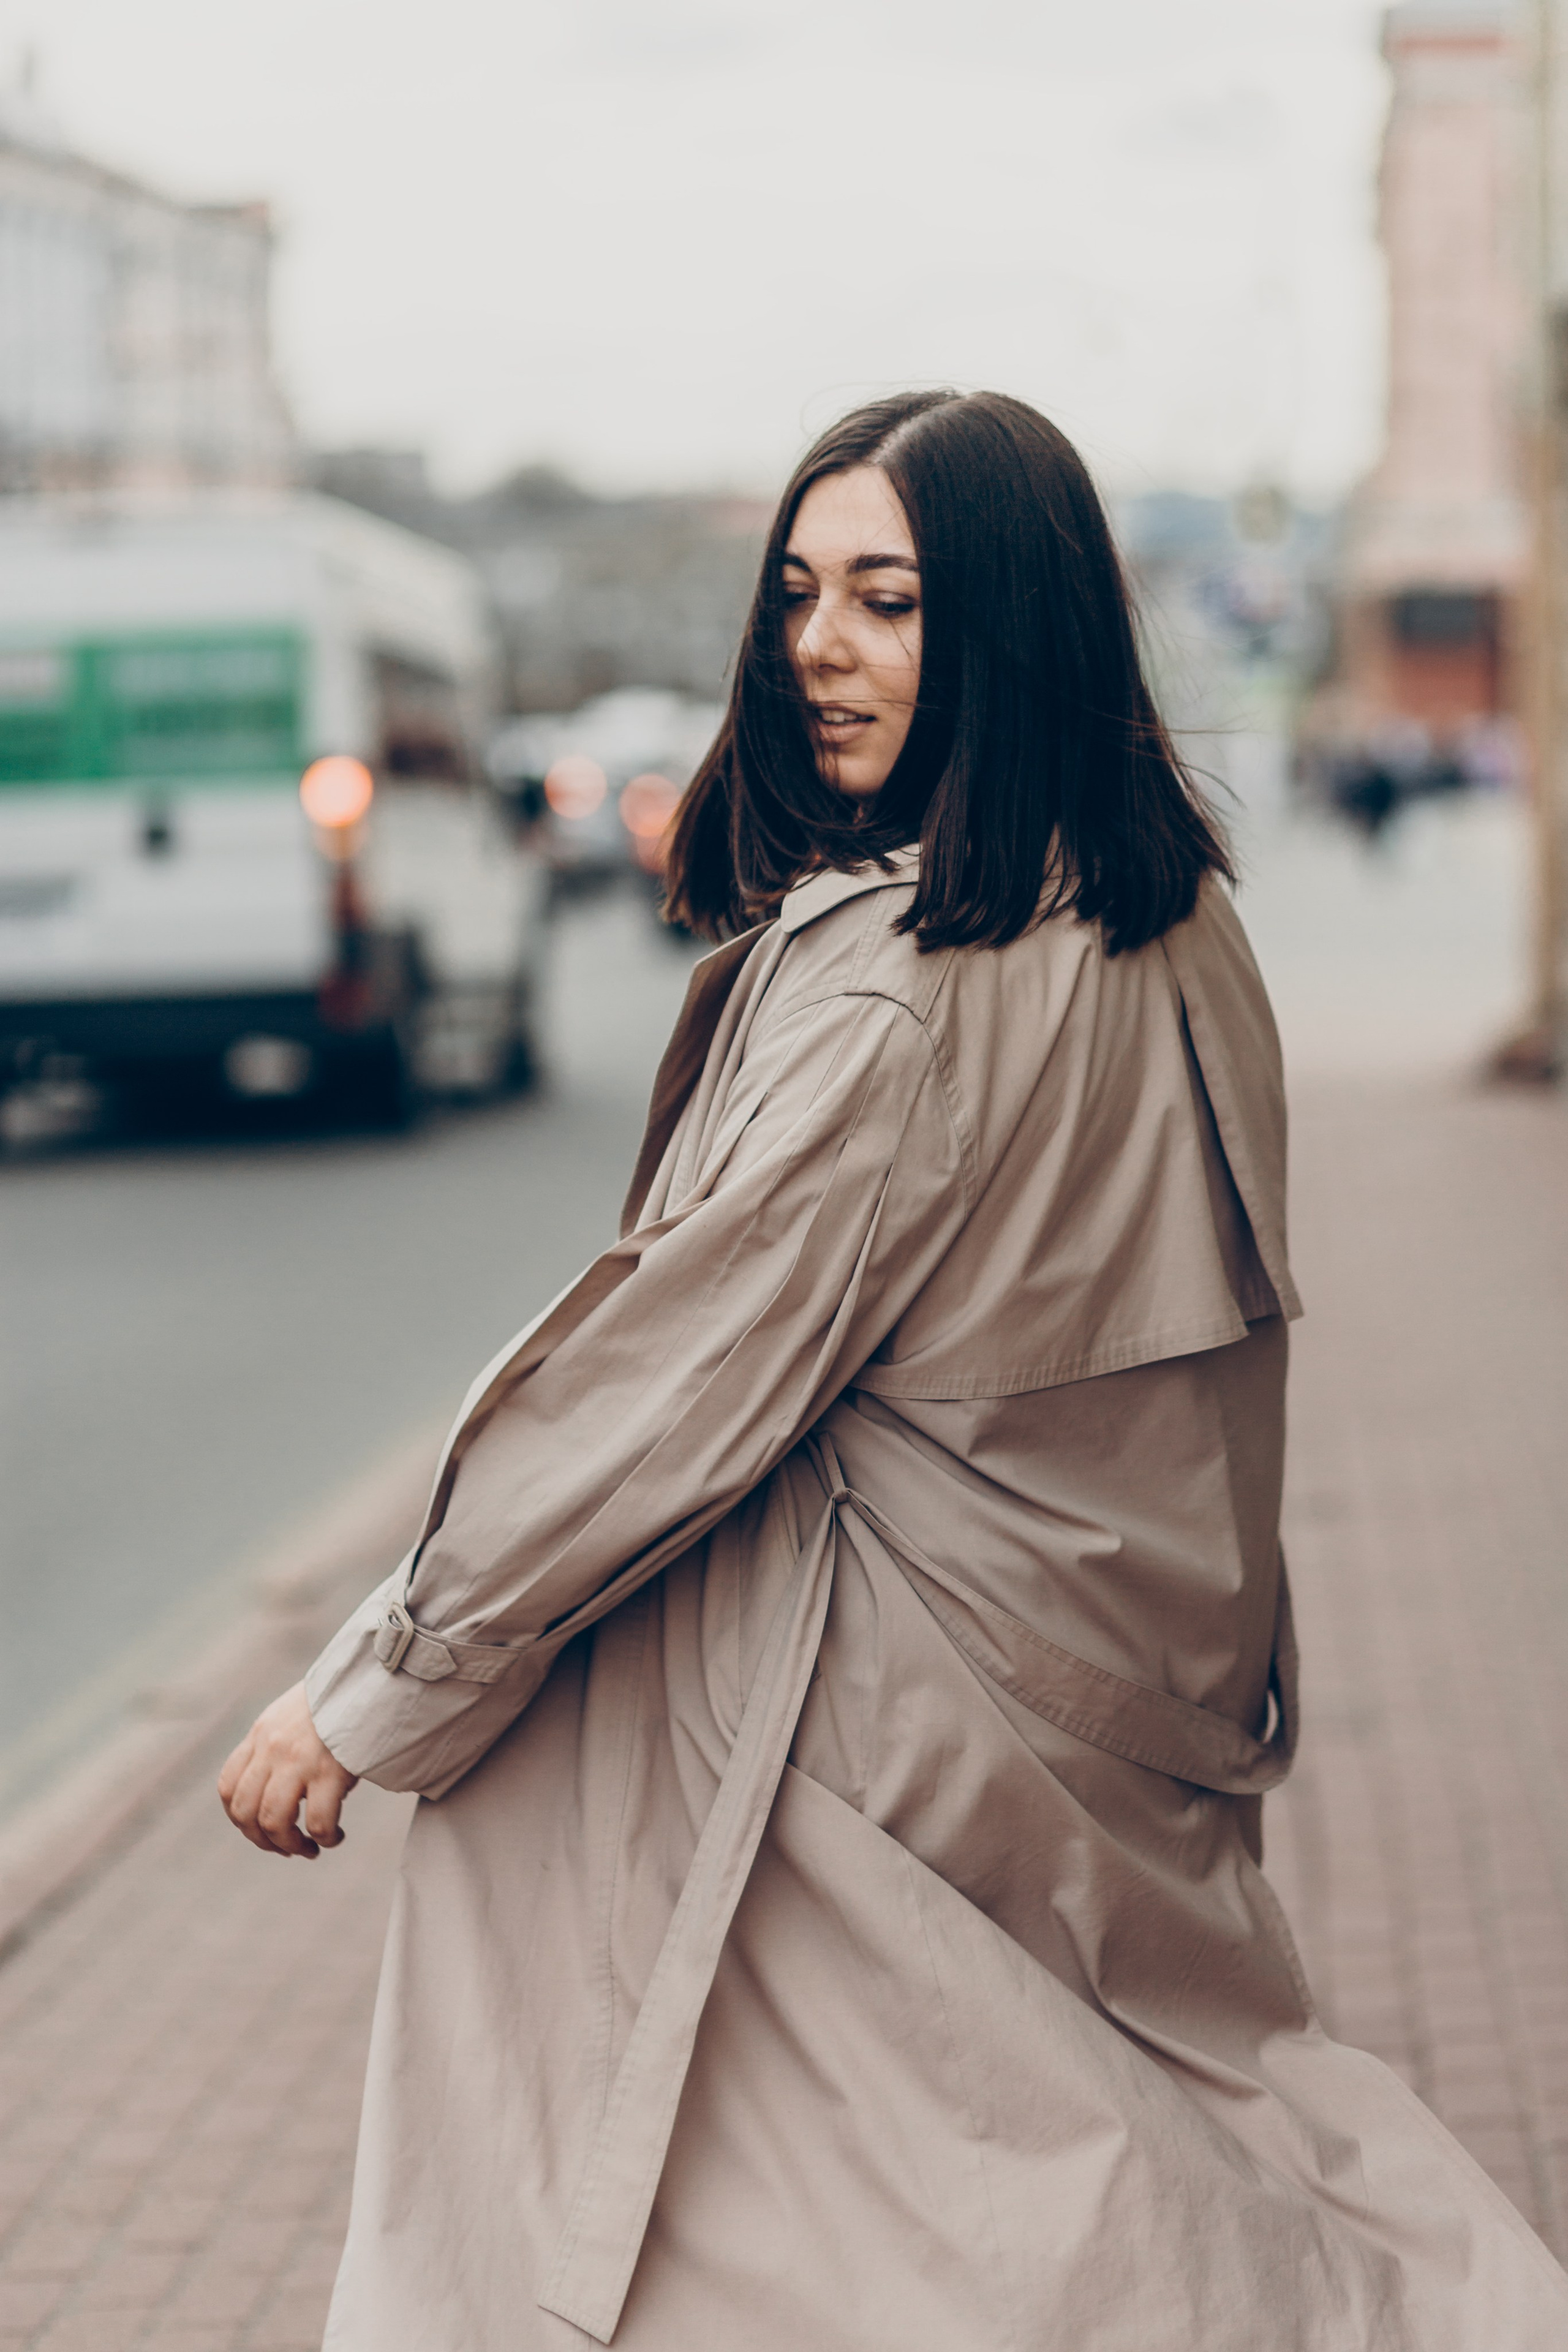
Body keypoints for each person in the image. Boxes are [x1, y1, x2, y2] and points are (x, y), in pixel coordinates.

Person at [219, 390, 1568, 2350]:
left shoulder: (893, 987)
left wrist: (377, 1688)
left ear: (1008, 629)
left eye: (889, 599)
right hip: (1126, 1669)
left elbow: (663, 1371)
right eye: (796, 596)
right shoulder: (1181, 925)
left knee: (818, 2146)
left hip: (896, 1705)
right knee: (1084, 2142)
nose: (818, 649)